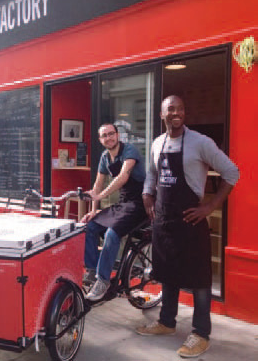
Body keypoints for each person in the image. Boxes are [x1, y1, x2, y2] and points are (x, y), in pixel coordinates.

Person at [136, 95, 239, 358]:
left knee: (200, 279)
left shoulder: (200, 142)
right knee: (168, 273)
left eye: (180, 108)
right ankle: (166, 323)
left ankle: (201, 334)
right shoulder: (157, 143)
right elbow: (152, 174)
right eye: (171, 109)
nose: (176, 112)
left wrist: (210, 206)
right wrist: (147, 195)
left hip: (191, 222)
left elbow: (231, 172)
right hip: (164, 221)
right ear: (162, 114)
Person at [81, 123, 148, 301]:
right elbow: (98, 184)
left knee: (112, 233)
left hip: (140, 204)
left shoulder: (129, 151)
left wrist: (101, 195)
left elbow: (123, 176)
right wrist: (94, 210)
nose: (108, 138)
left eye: (111, 134)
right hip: (123, 203)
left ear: (117, 135)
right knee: (89, 226)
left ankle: (103, 280)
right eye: (104, 136)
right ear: (100, 139)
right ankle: (92, 270)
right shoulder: (105, 157)